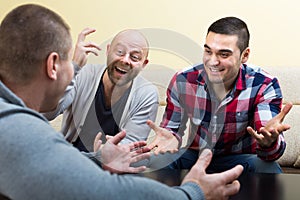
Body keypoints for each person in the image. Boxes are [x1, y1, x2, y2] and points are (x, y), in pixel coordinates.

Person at [0, 4, 244, 200]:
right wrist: (193, 193)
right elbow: (99, 188)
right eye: (68, 61)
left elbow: (121, 156)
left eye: (135, 56)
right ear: (53, 65)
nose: (73, 68)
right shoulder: (20, 128)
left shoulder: (13, 121)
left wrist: (98, 158)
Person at [147, 16, 292, 174]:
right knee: (158, 161)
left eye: (223, 54)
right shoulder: (183, 80)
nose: (212, 62)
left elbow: (268, 141)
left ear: (244, 55)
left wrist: (268, 142)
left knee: (267, 168)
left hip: (241, 159)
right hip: (196, 156)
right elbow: (170, 131)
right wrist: (170, 138)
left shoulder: (263, 84)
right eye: (208, 51)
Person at [44, 27, 159, 152]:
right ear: (108, 50)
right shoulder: (83, 74)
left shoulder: (147, 94)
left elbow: (130, 147)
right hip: (70, 158)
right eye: (120, 52)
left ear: (144, 64)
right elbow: (49, 113)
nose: (125, 60)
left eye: (135, 57)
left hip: (111, 166)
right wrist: (73, 67)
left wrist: (105, 153)